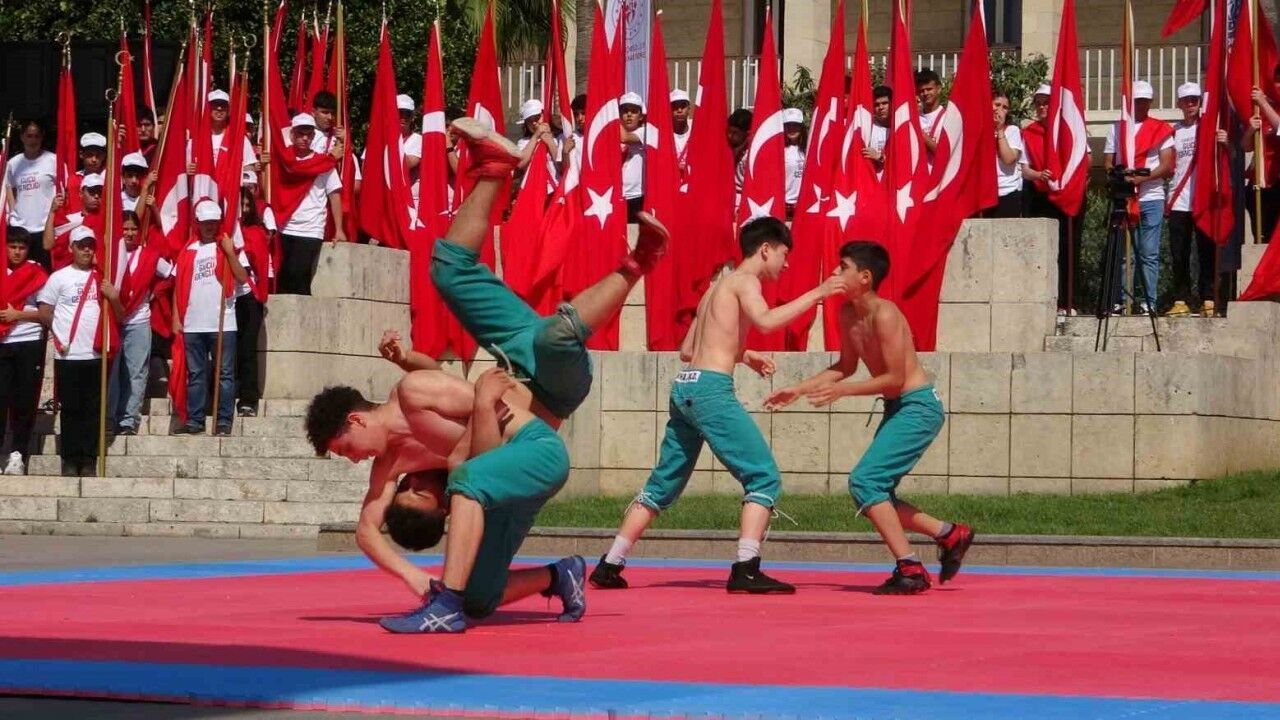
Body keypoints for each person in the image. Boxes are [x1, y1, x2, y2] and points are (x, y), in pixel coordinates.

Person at [303, 117, 669, 633]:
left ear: (356, 420)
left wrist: (433, 383)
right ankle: (549, 577)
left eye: (345, 449)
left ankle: (501, 173)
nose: (354, 460)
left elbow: (483, 398)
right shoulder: (388, 465)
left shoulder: (413, 397)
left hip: (526, 378)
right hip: (535, 417)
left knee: (450, 271)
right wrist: (415, 578)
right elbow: (367, 530)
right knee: (480, 580)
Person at [589, 217, 846, 594]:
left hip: (686, 387)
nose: (786, 263)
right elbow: (766, 321)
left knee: (662, 485)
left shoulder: (715, 288)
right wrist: (818, 293)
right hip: (710, 391)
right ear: (765, 250)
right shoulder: (746, 282)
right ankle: (746, 568)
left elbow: (688, 350)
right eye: (784, 254)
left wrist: (745, 354)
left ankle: (610, 564)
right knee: (763, 476)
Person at [765, 241, 973, 595]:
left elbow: (895, 378)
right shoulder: (848, 314)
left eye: (842, 267)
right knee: (876, 493)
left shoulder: (885, 314)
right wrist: (798, 389)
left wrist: (841, 392)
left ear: (864, 277)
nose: (834, 272)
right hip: (898, 408)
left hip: (918, 407)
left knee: (865, 483)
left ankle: (910, 568)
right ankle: (951, 535)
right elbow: (846, 366)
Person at [37, 226, 124, 476]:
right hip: (68, 354)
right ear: (71, 248)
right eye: (81, 245)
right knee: (71, 409)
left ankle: (88, 459)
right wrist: (60, 335)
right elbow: (44, 311)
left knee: (93, 410)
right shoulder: (59, 277)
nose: (86, 250)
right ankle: (70, 458)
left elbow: (119, 316)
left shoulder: (102, 277)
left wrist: (114, 296)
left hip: (95, 353)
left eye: (90, 245)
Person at [172, 200, 250, 436]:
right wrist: (176, 318)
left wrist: (229, 252)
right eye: (205, 222)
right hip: (193, 322)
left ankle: (224, 420)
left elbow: (242, 277)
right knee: (196, 374)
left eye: (214, 222)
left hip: (222, 321)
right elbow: (178, 286)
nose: (209, 226)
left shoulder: (228, 246)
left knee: (224, 374)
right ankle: (195, 420)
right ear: (197, 223)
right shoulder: (188, 251)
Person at [1103, 79, 1175, 314]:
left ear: (1150, 102)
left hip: (1152, 197)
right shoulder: (1117, 128)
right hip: (1126, 198)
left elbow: (1166, 165)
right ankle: (1123, 301)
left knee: (1149, 253)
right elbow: (1108, 162)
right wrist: (1121, 176)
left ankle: (1147, 301)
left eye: (1144, 101)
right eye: (1136, 101)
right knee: (1126, 254)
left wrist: (1142, 179)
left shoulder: (1161, 128)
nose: (1140, 105)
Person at [107, 210, 172, 435]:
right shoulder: (110, 255)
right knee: (112, 372)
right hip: (113, 320)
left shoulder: (149, 255)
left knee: (136, 372)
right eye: (125, 228)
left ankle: (128, 420)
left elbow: (171, 274)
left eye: (133, 229)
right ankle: (109, 417)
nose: (129, 233)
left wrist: (154, 292)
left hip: (138, 320)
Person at [1167, 82, 1228, 317]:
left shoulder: (1209, 127)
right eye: (1187, 100)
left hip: (1203, 198)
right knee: (1178, 253)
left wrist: (1225, 141)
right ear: (1179, 104)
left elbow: (1230, 155)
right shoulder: (1173, 131)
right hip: (1179, 199)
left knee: (1206, 251)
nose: (1191, 104)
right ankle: (1181, 299)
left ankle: (1208, 298)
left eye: (1195, 100)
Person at [1022, 84, 1084, 315]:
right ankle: (1044, 301)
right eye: (1038, 103)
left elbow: (1084, 158)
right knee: (1044, 251)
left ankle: (1069, 301)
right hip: (1041, 195)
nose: (1041, 107)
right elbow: (1025, 169)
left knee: (1069, 249)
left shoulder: (1068, 128)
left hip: (1068, 195)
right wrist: (1039, 175)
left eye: (1046, 103)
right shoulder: (1029, 133)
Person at [274, 113, 345, 294]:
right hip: (284, 227)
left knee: (297, 276)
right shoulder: (282, 160)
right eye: (300, 133)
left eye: (308, 134)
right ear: (292, 135)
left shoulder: (324, 163)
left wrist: (339, 229)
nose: (304, 138)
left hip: (311, 229)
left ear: (314, 136)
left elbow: (334, 194)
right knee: (282, 281)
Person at [0, 228, 48, 475]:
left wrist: (18, 315)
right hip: (2, 342)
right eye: (12, 247)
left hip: (28, 341)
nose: (17, 252)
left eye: (22, 247)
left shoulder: (36, 273)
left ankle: (18, 453)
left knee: (24, 399)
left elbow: (46, 314)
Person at [235, 188, 271, 417]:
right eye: (241, 205)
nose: (245, 209)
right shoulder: (224, 232)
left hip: (249, 296)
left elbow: (262, 265)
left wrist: (260, 296)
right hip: (228, 298)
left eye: (248, 205)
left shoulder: (256, 232)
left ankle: (248, 399)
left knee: (247, 348)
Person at [5, 120, 58, 258]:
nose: (33, 140)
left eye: (36, 136)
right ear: (22, 137)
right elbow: (9, 187)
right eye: (29, 136)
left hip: (45, 227)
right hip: (20, 229)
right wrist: (13, 210)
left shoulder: (53, 160)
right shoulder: (13, 163)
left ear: (42, 137)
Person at [991, 92, 1026, 218]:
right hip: (986, 192)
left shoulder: (1012, 130)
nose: (1000, 109)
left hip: (1008, 191)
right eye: (997, 105)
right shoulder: (980, 130)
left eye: (1005, 107)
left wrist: (1000, 129)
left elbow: (1009, 159)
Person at [782, 108, 807, 218]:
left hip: (804, 206)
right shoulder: (779, 150)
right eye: (788, 125)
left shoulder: (809, 149)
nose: (792, 128)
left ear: (801, 128)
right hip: (784, 206)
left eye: (795, 125)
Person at [863, 86, 892, 174]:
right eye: (877, 104)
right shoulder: (868, 129)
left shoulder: (901, 126)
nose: (881, 107)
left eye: (885, 103)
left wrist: (880, 157)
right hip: (875, 179)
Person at [915, 69, 945, 156]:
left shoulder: (948, 118)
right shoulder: (914, 118)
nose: (925, 93)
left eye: (929, 89)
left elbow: (945, 154)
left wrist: (922, 135)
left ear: (938, 89)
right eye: (921, 90)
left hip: (939, 165)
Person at [671, 89, 693, 179]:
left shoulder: (697, 127)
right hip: (671, 182)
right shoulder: (663, 132)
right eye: (675, 107)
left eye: (683, 106)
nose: (679, 110)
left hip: (692, 181)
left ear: (689, 109)